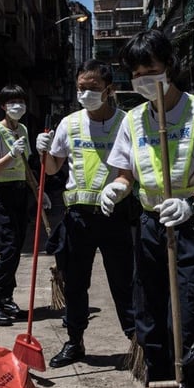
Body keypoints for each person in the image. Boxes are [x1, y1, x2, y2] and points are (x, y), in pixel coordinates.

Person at [101, 29, 194, 383]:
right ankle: (160, 386)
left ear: (170, 67)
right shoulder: (133, 120)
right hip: (150, 225)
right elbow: (126, 172)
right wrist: (117, 187)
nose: (144, 80)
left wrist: (192, 204)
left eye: (151, 70)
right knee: (149, 313)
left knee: (187, 315)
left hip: (192, 227)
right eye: (137, 74)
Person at [36, 60, 136, 367]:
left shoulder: (128, 122)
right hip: (78, 219)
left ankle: (138, 345)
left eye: (92, 88)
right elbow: (53, 168)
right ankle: (74, 341)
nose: (86, 94)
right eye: (81, 88)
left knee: (125, 283)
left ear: (110, 89)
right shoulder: (70, 124)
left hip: (117, 215)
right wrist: (44, 151)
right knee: (76, 282)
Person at [0, 84, 34, 326]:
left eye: (21, 102)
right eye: (12, 102)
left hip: (20, 192)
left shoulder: (22, 128)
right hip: (0, 193)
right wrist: (11, 154)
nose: (18, 106)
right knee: (8, 249)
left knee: (17, 248)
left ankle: (6, 299)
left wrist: (38, 191)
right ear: (3, 106)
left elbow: (26, 165)